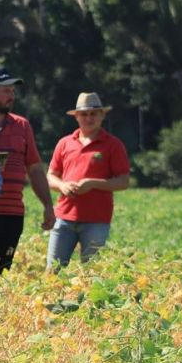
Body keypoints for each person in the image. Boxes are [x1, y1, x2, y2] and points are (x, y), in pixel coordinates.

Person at [0, 66, 55, 274]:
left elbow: (34, 168)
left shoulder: (22, 125)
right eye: (6, 91)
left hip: (12, 215)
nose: (12, 96)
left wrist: (48, 205)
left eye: (13, 91)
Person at [46, 92, 130, 268]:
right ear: (76, 116)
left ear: (102, 115)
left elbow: (123, 181)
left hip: (96, 220)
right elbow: (51, 176)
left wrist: (93, 184)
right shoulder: (64, 143)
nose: (89, 118)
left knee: (91, 273)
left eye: (93, 114)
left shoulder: (113, 145)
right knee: (53, 270)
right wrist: (62, 185)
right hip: (63, 217)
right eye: (84, 114)